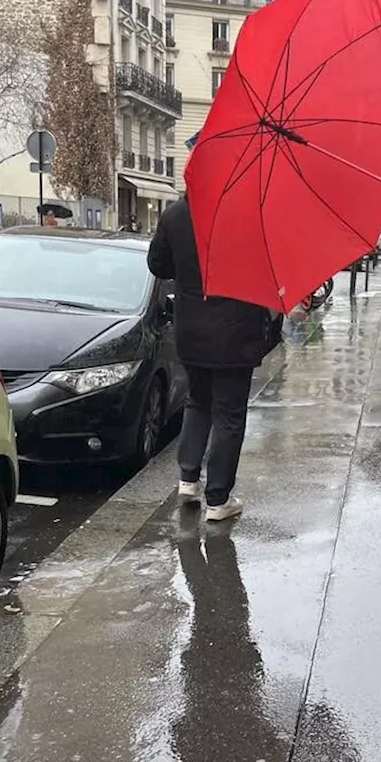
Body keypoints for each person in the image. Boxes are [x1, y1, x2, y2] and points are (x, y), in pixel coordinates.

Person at [147, 194, 276, 522]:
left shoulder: (177, 214)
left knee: (198, 401)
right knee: (229, 415)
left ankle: (188, 479)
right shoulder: (253, 217)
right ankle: (218, 499)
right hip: (237, 332)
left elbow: (158, 264)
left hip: (192, 330)